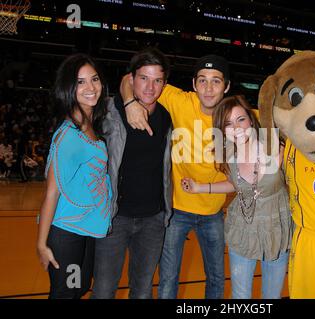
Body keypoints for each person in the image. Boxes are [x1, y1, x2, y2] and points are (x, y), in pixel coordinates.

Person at [121, 55, 230, 299]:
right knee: (168, 279)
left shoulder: (235, 116)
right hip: (176, 211)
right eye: (202, 81)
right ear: (193, 84)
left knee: (215, 278)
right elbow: (129, 79)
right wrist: (129, 103)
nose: (209, 88)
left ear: (227, 86)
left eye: (216, 81)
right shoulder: (179, 100)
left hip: (213, 213)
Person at [181, 95, 293, 299]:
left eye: (240, 119)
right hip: (242, 229)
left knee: (271, 296)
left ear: (251, 119)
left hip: (276, 228)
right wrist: (200, 187)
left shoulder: (276, 147)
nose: (237, 128)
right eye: (228, 124)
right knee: (240, 296)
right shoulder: (228, 153)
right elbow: (236, 184)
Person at [90, 47, 173, 299]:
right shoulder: (109, 110)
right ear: (131, 79)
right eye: (144, 78)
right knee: (104, 291)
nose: (150, 87)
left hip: (153, 220)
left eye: (157, 80)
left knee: (143, 290)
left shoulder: (167, 118)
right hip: (115, 218)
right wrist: (127, 101)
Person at [36, 54, 112, 299]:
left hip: (86, 226)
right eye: (80, 82)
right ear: (69, 88)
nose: (90, 88)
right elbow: (51, 192)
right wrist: (42, 244)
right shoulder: (68, 136)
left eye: (94, 79)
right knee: (66, 293)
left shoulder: (91, 124)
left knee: (78, 287)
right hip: (66, 230)